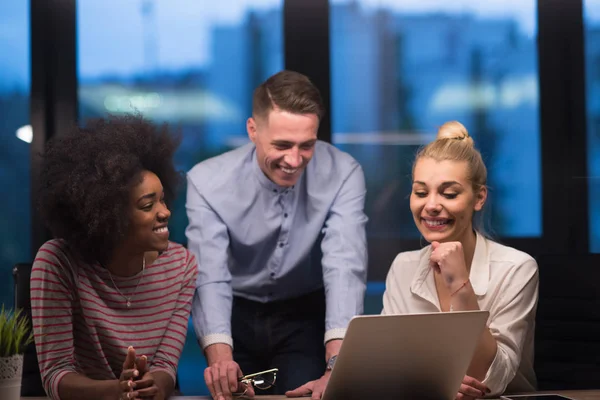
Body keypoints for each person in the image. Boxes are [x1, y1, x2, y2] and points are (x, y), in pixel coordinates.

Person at [186, 70, 368, 400]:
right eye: (282, 145)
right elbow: (209, 275)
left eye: (307, 145)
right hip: (234, 314)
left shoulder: (344, 172)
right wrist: (221, 359)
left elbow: (345, 265)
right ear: (253, 130)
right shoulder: (206, 181)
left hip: (304, 315)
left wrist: (337, 364)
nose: (294, 160)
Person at [31, 115, 198, 400]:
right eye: (148, 204)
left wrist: (151, 387)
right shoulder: (57, 262)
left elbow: (166, 366)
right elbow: (55, 374)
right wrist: (117, 391)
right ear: (110, 217)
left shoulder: (181, 265)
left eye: (163, 199)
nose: (165, 212)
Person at [381, 121, 539, 399]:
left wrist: (460, 285)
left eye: (449, 193)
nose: (430, 204)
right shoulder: (402, 267)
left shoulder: (517, 268)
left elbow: (489, 380)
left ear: (479, 198)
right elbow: (389, 366)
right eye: (420, 192)